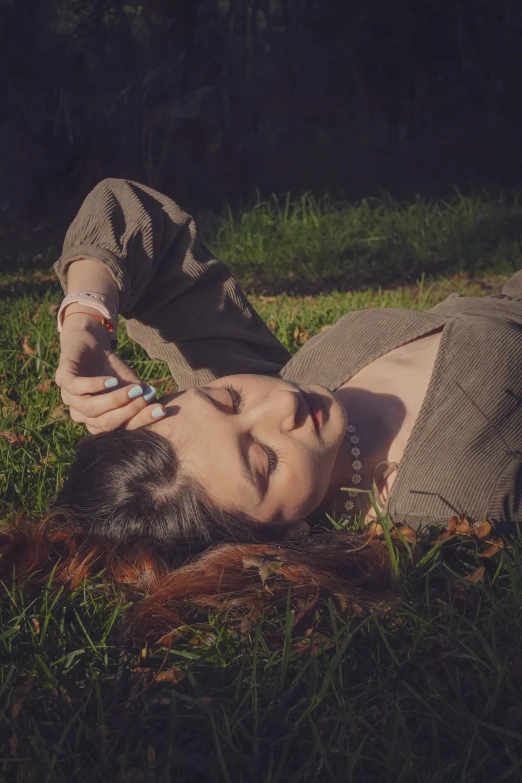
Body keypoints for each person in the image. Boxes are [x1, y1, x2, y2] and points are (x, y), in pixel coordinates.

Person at [2, 179, 521, 637]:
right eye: (265, 462)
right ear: (277, 538)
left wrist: (85, 321)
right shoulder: (451, 503)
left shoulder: (273, 379)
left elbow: (130, 210)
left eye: (228, 397)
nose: (282, 408)